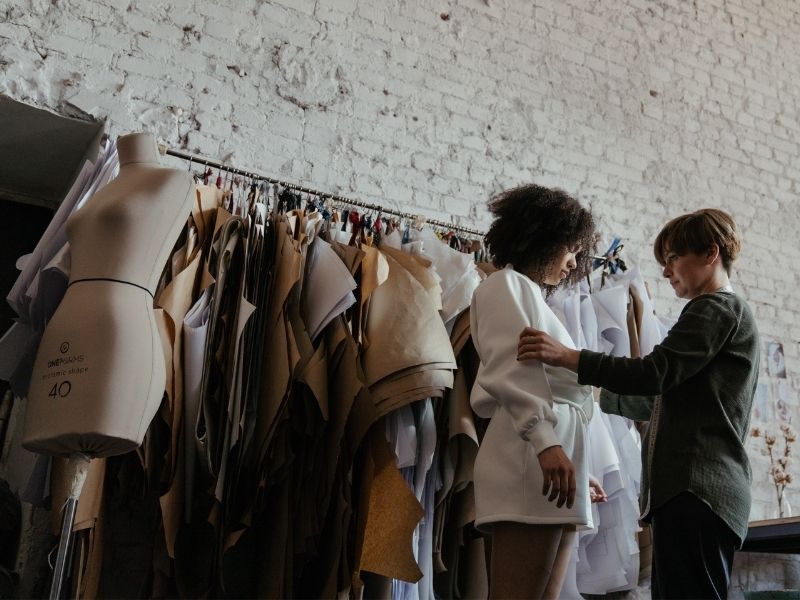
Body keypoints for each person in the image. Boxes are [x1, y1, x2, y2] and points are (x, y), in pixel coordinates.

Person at [517, 208, 759, 599]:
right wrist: (597, 397)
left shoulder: (715, 309)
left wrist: (569, 357)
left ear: (711, 252)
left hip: (697, 491)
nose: (666, 271)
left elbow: (653, 373)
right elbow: (661, 401)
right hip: (699, 494)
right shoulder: (723, 314)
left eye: (674, 258)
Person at [469, 184, 605, 599]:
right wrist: (548, 443)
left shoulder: (532, 298)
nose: (573, 262)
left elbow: (553, 385)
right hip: (530, 458)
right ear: (544, 238)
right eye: (571, 249)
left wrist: (580, 463)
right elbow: (511, 370)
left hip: (549, 459)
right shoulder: (504, 285)